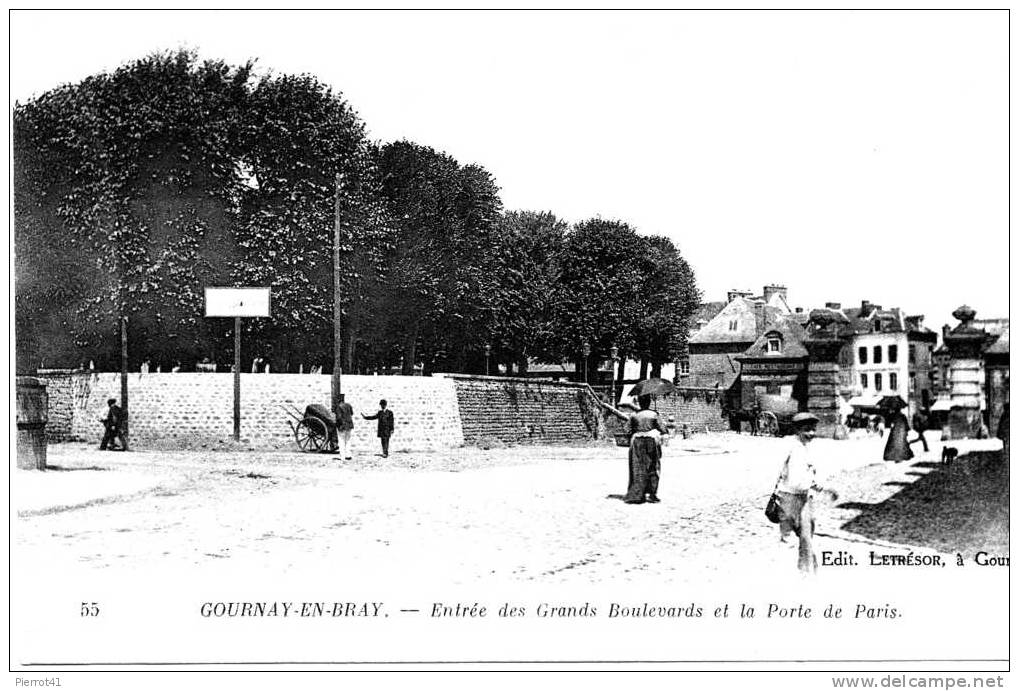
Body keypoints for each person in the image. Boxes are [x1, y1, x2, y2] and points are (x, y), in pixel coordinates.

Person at [773, 412, 836, 574]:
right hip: (796, 499)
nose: (811, 434)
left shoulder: (798, 446)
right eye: (807, 430)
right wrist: (818, 487)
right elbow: (797, 482)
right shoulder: (796, 449)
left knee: (789, 538)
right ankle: (805, 573)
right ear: (798, 430)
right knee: (804, 538)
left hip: (786, 497)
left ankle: (788, 572)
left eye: (813, 430)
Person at [623, 394, 669, 504]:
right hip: (652, 442)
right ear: (649, 402)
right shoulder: (654, 414)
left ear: (639, 402)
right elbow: (663, 429)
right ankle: (652, 494)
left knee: (638, 467)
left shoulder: (634, 415)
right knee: (653, 466)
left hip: (637, 442)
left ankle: (639, 494)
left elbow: (626, 429)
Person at [335, 393, 355, 460]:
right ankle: (348, 455)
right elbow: (351, 413)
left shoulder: (338, 407)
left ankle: (342, 456)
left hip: (342, 426)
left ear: (338, 400)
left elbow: (339, 418)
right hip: (349, 425)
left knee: (341, 441)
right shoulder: (348, 405)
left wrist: (338, 424)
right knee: (348, 440)